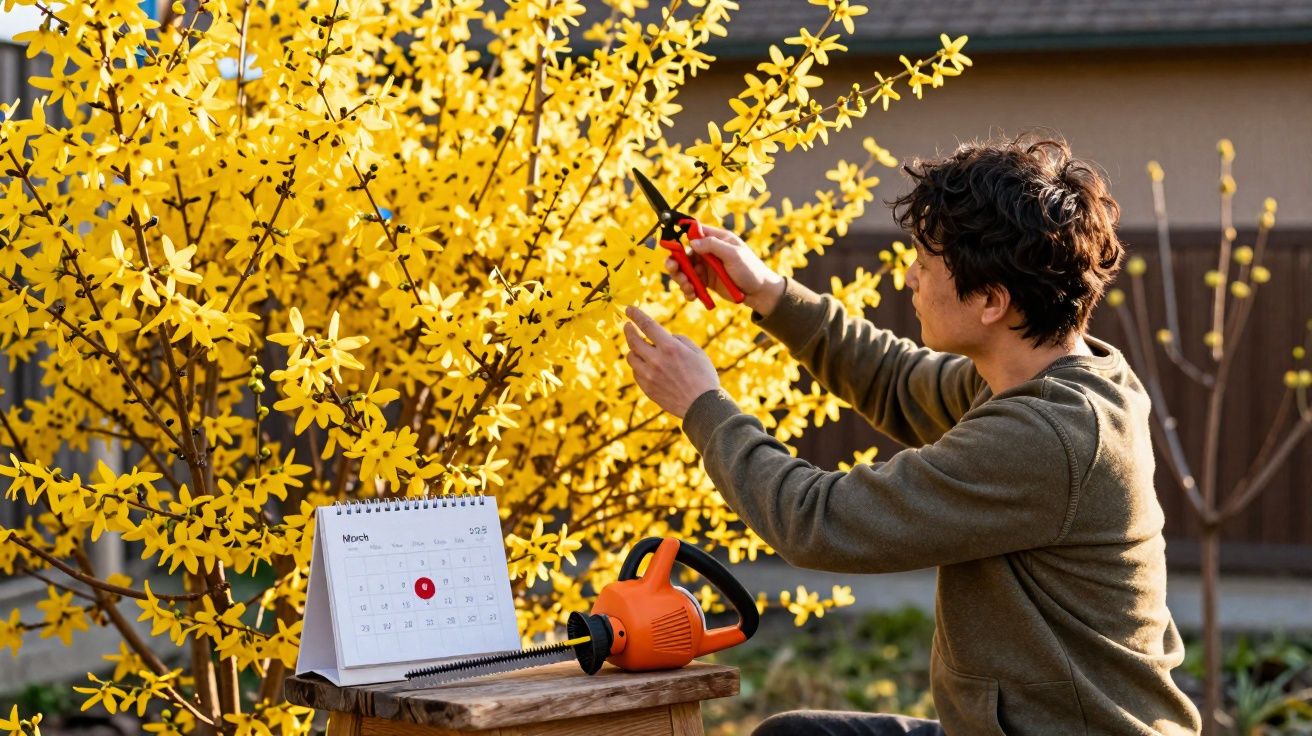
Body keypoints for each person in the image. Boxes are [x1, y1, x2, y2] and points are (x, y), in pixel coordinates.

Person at [621, 134, 1203, 736]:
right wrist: (769, 293)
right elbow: (896, 380)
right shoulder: (1048, 376)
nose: (907, 278)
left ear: (991, 301)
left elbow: (820, 522)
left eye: (924, 266)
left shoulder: (1050, 435)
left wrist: (702, 405)